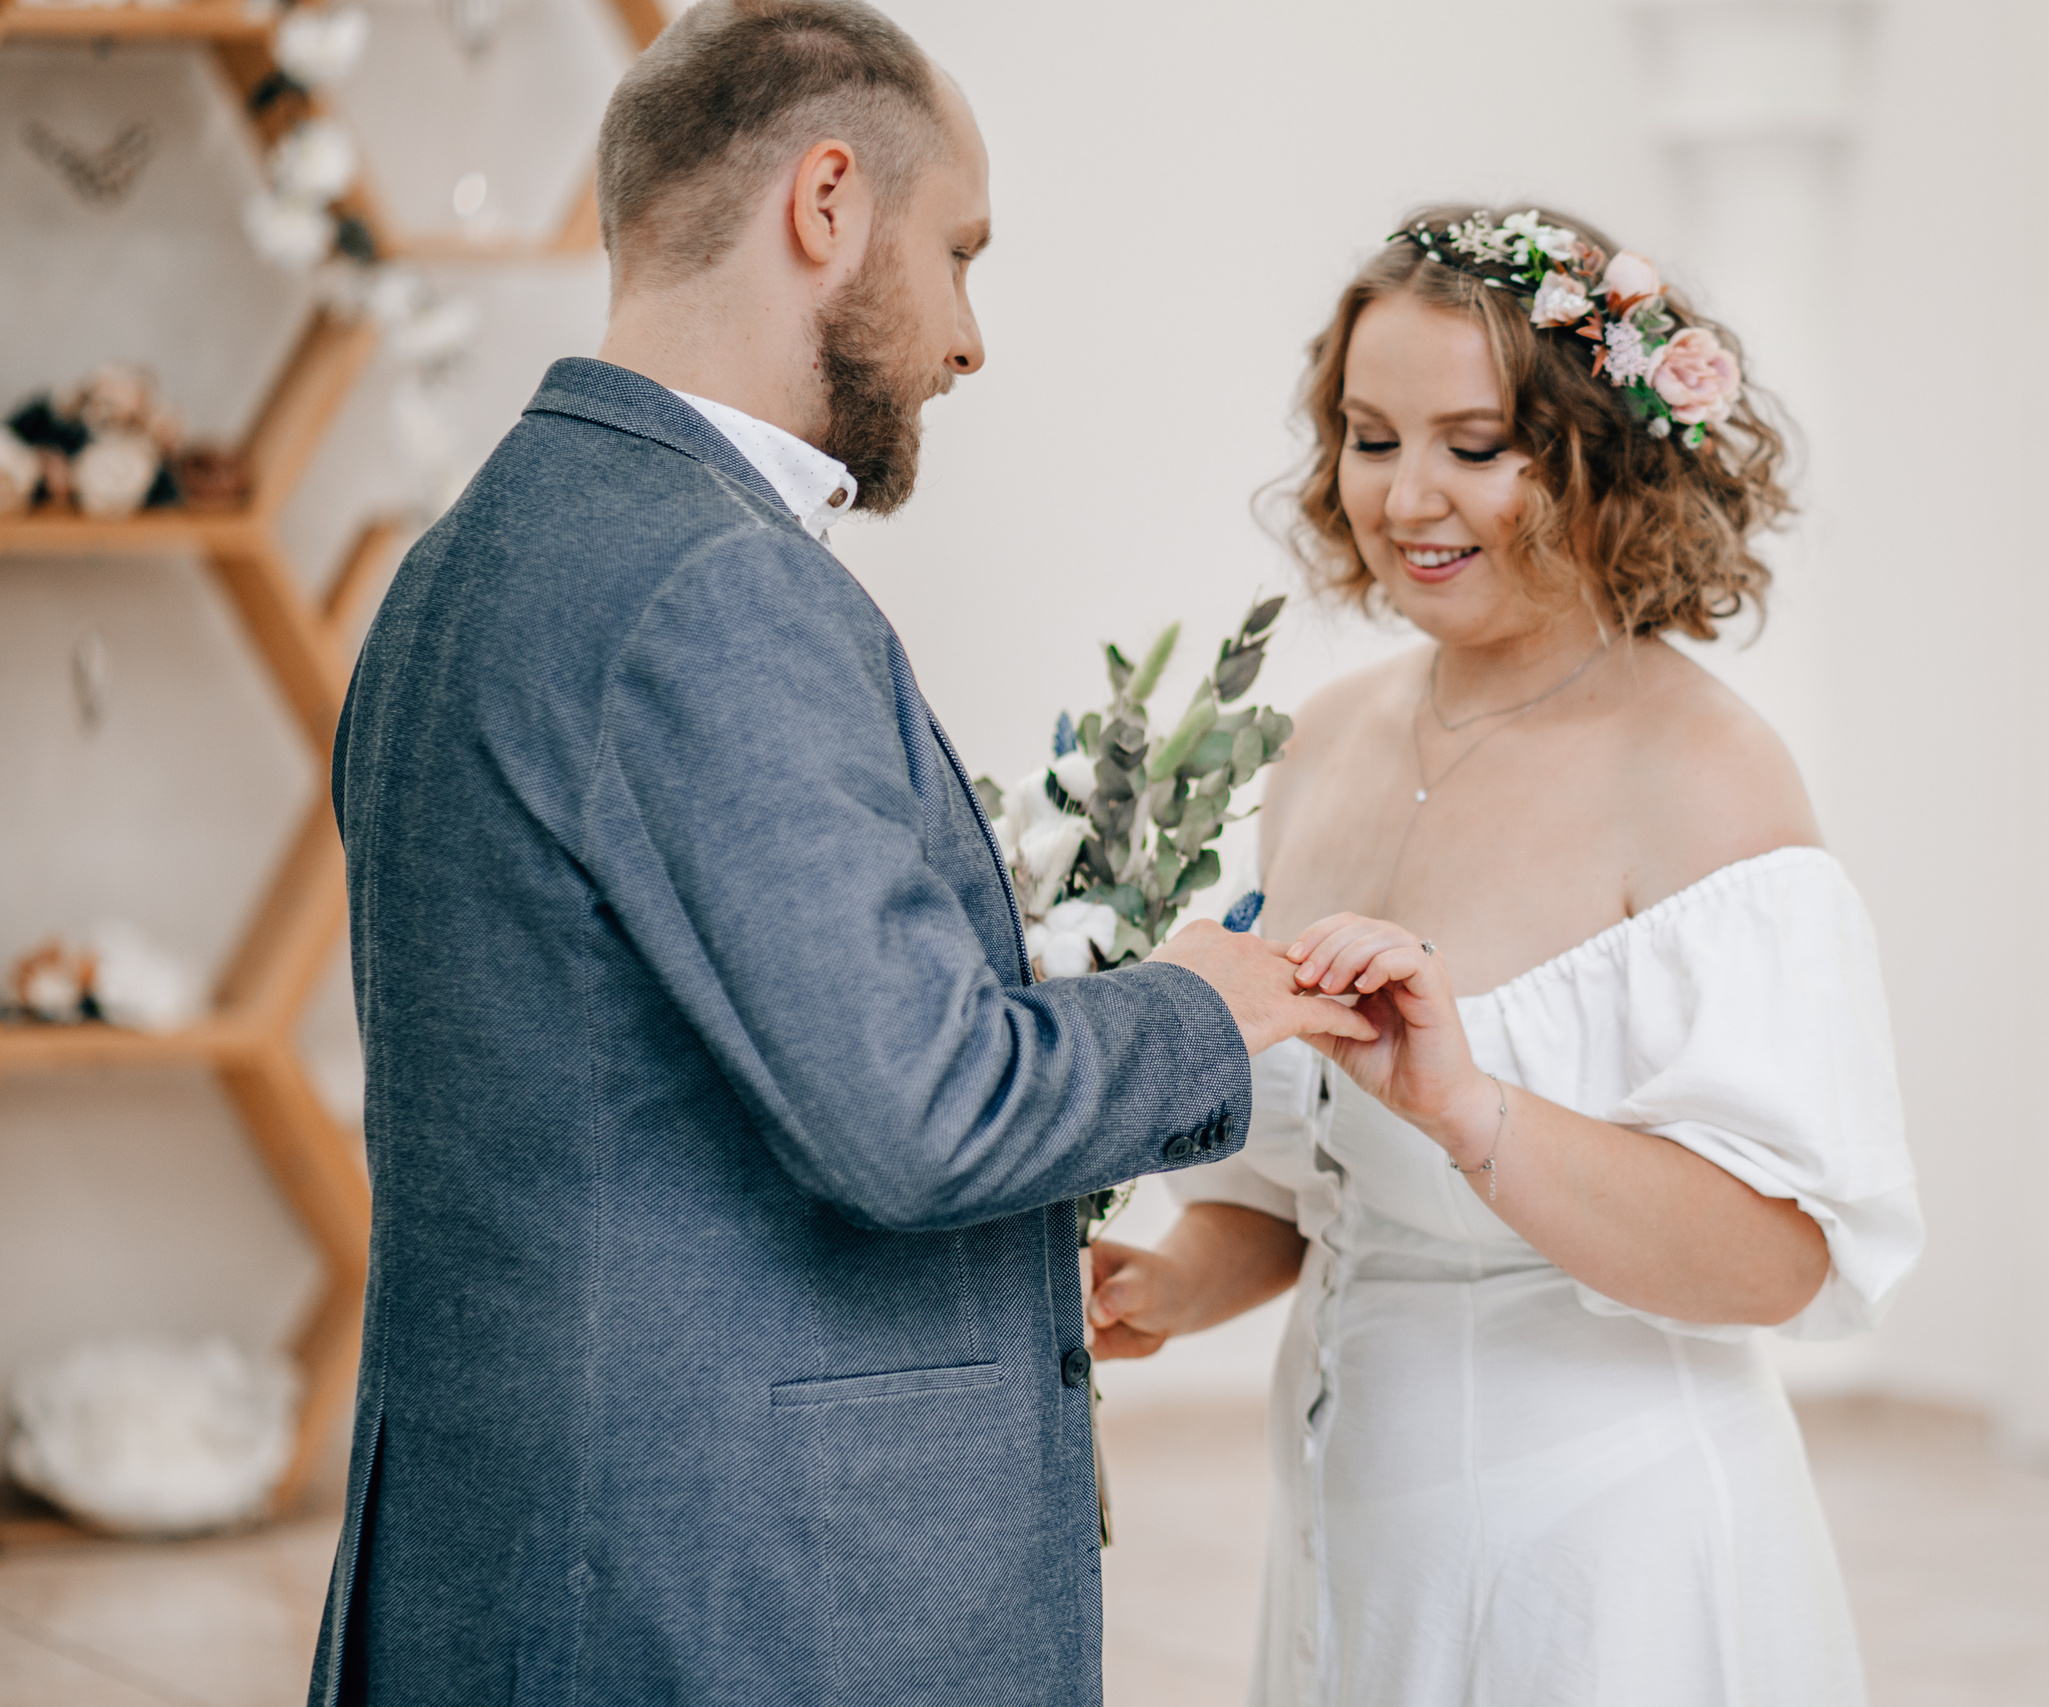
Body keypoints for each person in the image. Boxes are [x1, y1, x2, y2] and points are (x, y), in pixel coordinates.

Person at [307, 5, 1372, 1702]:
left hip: (515, 1549)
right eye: (959, 250)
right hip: (725, 1590)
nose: (968, 338)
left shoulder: (459, 564)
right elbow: (918, 1111)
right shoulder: (712, 587)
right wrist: (1197, 1005)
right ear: (826, 203)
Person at [1086, 207, 1924, 1704]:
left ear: (1602, 453)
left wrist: (1478, 1115)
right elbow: (1310, 1193)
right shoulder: (1328, 743)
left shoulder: (1706, 776)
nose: (1408, 496)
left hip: (1605, 1561)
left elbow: (1784, 1255)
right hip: (1355, 1547)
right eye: (1368, 435)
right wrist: (1165, 1287)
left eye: (1477, 446)